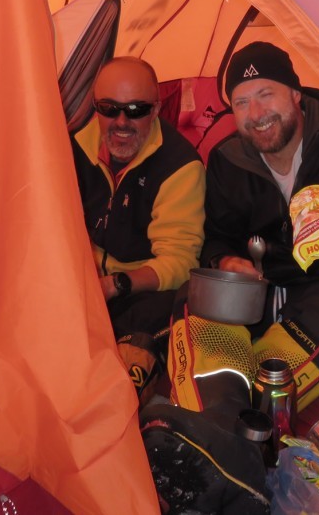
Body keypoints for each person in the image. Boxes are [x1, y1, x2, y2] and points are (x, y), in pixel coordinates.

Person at [141, 41, 319, 514]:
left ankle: (224, 446)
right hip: (260, 287)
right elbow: (216, 238)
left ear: (295, 95)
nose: (256, 112)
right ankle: (225, 434)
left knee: (285, 355)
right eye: (241, 102)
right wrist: (226, 262)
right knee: (193, 301)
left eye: (267, 94)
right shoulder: (227, 160)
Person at [71, 56, 206, 403]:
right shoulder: (70, 147)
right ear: (94, 106)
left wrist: (115, 286)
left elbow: (178, 261)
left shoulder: (180, 166)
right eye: (109, 108)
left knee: (175, 305)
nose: (121, 122)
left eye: (136, 109)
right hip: (76, 284)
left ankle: (118, 413)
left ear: (157, 108)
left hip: (136, 292)